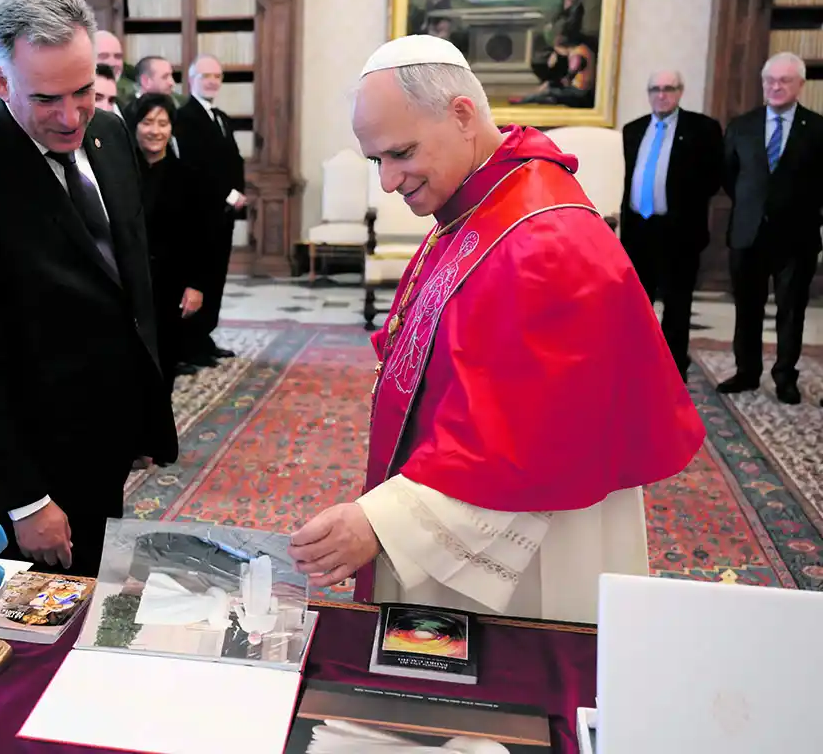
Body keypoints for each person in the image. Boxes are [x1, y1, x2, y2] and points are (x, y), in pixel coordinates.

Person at [287, 36, 704, 624]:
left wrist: (383, 524)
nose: (386, 181)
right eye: (375, 159)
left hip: (536, 538)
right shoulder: (476, 201)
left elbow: (524, 436)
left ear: (461, 115)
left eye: (400, 153)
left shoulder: (545, 240)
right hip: (450, 475)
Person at [0, 0, 177, 578]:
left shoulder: (110, 139)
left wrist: (139, 412)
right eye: (47, 98)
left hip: (106, 433)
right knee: (28, 636)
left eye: (84, 90)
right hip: (31, 459)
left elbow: (130, 281)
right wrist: (25, 498)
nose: (70, 116)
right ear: (2, 82)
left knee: (94, 597)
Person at [718, 51, 823, 406]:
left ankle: (785, 377)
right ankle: (746, 372)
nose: (776, 87)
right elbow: (731, 178)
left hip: (797, 237)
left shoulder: (818, 128)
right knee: (747, 307)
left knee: (791, 311)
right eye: (770, 81)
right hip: (748, 233)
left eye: (784, 81)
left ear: (800, 85)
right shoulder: (741, 126)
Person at [620, 70, 724, 382]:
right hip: (639, 230)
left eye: (668, 89)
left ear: (680, 91)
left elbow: (713, 178)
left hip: (679, 232)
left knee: (677, 304)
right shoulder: (633, 129)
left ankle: (673, 367)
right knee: (637, 304)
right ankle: (636, 361)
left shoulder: (703, 129)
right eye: (655, 89)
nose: (661, 95)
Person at [125, 91, 209, 390]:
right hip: (128, 284)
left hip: (170, 284)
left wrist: (196, 285)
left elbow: (201, 235)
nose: (155, 131)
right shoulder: (121, 173)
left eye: (163, 123)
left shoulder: (187, 176)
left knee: (164, 361)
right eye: (148, 122)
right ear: (135, 126)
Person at [175, 53, 246, 366]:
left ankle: (205, 336)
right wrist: (228, 195)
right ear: (192, 79)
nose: (212, 81)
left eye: (217, 76)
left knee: (217, 276)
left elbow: (234, 160)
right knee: (199, 277)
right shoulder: (185, 117)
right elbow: (195, 168)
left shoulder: (221, 117)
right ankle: (190, 343)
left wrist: (239, 193)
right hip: (200, 212)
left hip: (224, 214)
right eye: (206, 76)